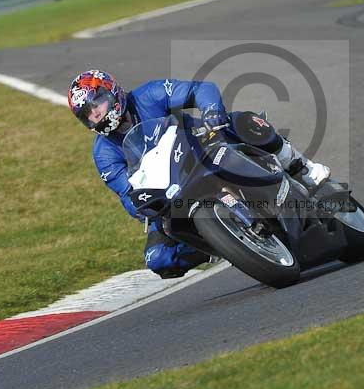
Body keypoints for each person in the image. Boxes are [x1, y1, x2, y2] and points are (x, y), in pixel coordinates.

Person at [67, 70, 331, 279]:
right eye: (88, 114)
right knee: (158, 258)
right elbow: (127, 194)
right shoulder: (104, 153)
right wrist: (144, 209)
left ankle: (301, 166)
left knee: (243, 122)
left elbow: (198, 90)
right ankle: (221, 244)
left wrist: (211, 111)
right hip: (171, 193)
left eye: (97, 104)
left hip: (202, 148)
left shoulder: (147, 95)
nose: (97, 114)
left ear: (112, 91)